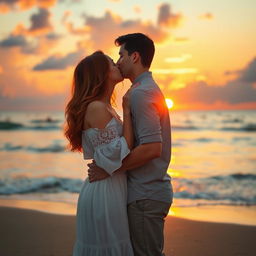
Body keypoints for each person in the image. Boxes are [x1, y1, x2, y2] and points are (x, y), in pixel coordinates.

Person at [88, 33, 173, 256]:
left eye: (121, 55)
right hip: (146, 191)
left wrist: (109, 169)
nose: (118, 61)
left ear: (134, 57)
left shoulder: (141, 94)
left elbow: (153, 147)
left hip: (146, 193)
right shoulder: (141, 91)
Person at [65, 51, 134, 255]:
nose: (117, 65)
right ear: (101, 73)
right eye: (112, 63)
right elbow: (123, 148)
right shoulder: (96, 108)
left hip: (110, 184)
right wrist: (127, 111)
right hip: (104, 192)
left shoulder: (104, 106)